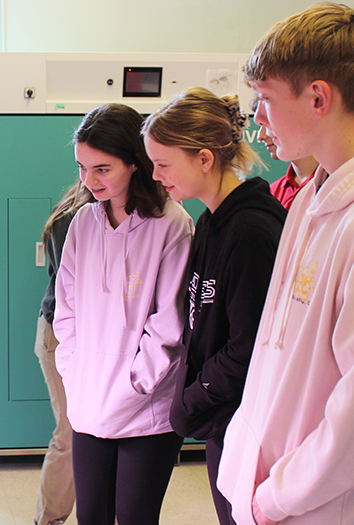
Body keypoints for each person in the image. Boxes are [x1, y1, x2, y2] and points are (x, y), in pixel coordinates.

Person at [218, 4, 354, 525]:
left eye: (266, 100)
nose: (257, 118)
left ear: (318, 97)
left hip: (331, 509)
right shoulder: (312, 198)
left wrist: (275, 497)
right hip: (278, 496)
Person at [142, 87, 286, 525]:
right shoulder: (210, 221)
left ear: (205, 158)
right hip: (218, 417)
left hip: (245, 418)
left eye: (164, 164)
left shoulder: (252, 230)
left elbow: (250, 345)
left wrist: (193, 397)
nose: (155, 175)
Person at [53, 103, 193, 525]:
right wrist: (73, 371)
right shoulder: (82, 223)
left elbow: (169, 324)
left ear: (136, 162)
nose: (88, 181)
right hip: (88, 398)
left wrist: (133, 385)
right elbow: (67, 310)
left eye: (102, 169)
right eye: (82, 168)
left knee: (134, 517)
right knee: (92, 515)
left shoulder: (172, 224)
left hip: (145, 406)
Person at [34, 179, 93, 525]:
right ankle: (48, 521)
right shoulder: (73, 217)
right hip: (62, 334)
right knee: (70, 432)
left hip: (90, 337)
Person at [252, 98, 319, 211]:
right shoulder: (272, 192)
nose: (261, 136)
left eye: (269, 122)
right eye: (261, 125)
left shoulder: (335, 183)